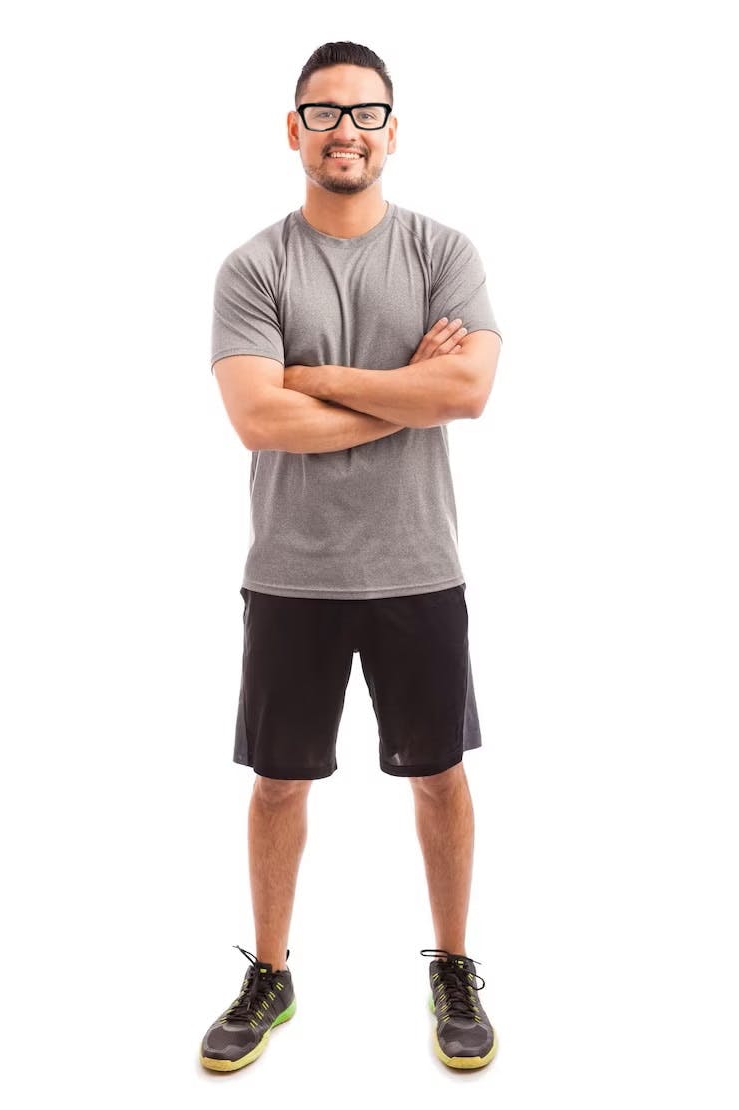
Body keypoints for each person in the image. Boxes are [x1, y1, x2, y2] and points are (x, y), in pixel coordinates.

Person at [200, 41, 503, 1073]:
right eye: (324, 113)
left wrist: (316, 378)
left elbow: (465, 392)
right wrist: (400, 389)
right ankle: (270, 972)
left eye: (365, 113)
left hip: (420, 566)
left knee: (440, 777)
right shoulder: (254, 267)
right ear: (294, 130)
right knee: (279, 785)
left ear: (392, 131)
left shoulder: (442, 253)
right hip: (293, 573)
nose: (345, 131)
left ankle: (453, 966)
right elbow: (257, 418)